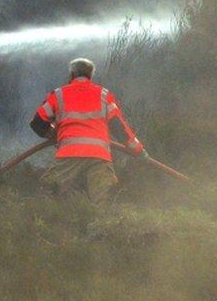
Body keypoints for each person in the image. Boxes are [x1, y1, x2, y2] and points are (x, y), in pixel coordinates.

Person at [30, 58, 146, 204]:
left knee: (48, 193)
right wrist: (138, 150)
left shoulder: (58, 95)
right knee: (105, 202)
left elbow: (37, 123)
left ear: (71, 75)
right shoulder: (104, 95)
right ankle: (106, 226)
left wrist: (54, 135)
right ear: (90, 75)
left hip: (69, 155)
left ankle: (51, 224)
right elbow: (119, 128)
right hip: (99, 156)